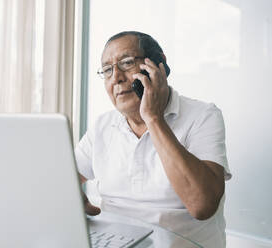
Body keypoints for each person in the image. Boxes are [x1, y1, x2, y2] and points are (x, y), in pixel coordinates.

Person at [75, 31, 232, 247]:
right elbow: (65, 179)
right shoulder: (102, 125)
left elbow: (202, 204)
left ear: (160, 65)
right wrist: (71, 198)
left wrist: (153, 118)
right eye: (107, 70)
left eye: (127, 63)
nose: (116, 77)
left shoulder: (203, 116)